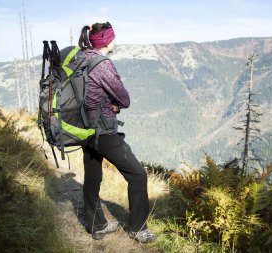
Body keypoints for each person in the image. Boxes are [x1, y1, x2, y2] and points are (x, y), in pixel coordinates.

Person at [78, 21, 156, 243]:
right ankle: (138, 229)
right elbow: (125, 99)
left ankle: (97, 225)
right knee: (138, 175)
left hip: (84, 130)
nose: (115, 40)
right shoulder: (103, 65)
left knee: (93, 177)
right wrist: (114, 104)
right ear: (107, 40)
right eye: (113, 37)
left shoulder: (82, 58)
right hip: (103, 132)